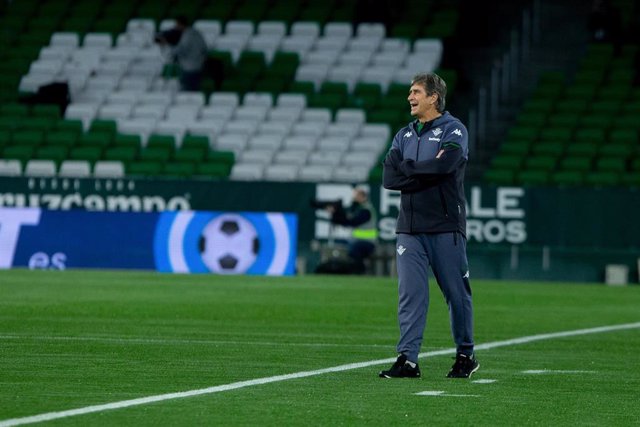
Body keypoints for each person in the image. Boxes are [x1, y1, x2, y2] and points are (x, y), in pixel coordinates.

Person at [378, 72, 478, 379]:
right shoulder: (403, 135)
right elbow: (388, 179)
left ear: (433, 97)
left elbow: (446, 165)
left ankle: (465, 354)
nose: (410, 97)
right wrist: (424, 170)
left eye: (416, 92)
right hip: (409, 228)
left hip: (446, 226)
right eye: (410, 92)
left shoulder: (454, 129)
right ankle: (408, 359)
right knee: (411, 295)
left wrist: (409, 169)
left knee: (455, 293)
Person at [313, 187, 378, 275]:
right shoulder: (358, 208)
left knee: (355, 249)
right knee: (338, 244)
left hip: (368, 242)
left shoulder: (366, 210)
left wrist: (339, 217)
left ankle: (359, 272)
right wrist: (335, 214)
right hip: (355, 241)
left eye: (356, 196)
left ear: (363, 197)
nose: (354, 198)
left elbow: (353, 222)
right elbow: (347, 220)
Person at [157, 16, 208, 92]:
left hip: (190, 68)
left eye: (176, 25)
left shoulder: (188, 35)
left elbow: (181, 49)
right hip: (198, 65)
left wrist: (167, 45)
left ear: (180, 24)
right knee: (194, 89)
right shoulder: (196, 33)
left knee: (188, 91)